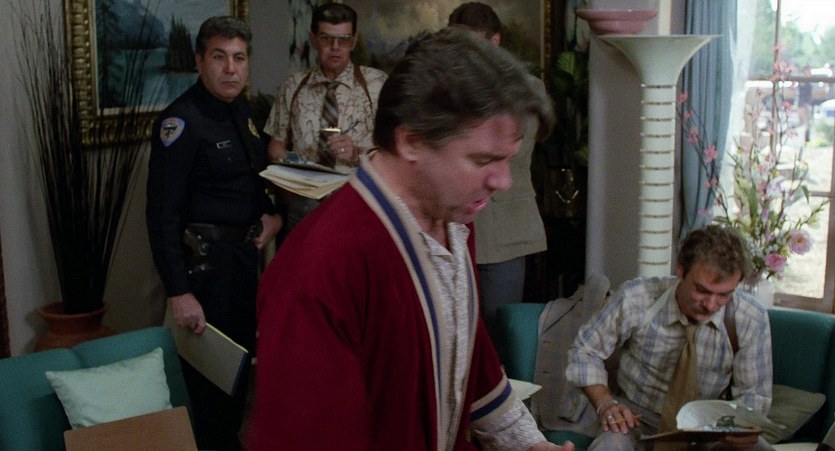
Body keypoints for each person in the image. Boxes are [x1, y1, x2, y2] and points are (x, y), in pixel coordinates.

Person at [248, 28, 571, 450]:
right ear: (411, 141)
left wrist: (531, 444)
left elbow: (467, 351)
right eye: (483, 160)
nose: (503, 181)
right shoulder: (322, 265)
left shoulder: (453, 215)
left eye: (508, 160)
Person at [146, 16, 282, 450]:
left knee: (236, 375)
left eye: (239, 58)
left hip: (241, 263)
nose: (230, 69)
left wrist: (272, 215)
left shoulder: (241, 110)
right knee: (207, 384)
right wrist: (179, 291)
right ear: (200, 61)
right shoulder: (181, 122)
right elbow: (162, 216)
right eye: (219, 57)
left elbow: (251, 179)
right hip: (203, 269)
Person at [566, 225, 774, 450]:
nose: (711, 305)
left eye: (724, 294)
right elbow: (584, 351)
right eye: (702, 290)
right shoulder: (637, 297)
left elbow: (754, 394)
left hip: (710, 427)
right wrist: (606, 404)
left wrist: (745, 426)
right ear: (680, 270)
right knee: (610, 446)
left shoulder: (750, 318)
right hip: (635, 420)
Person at [448, 1, 548, 342]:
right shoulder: (445, 88)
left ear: (495, 41)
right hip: (450, 225)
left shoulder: (526, 88)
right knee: (453, 331)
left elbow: (510, 147)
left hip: (505, 229)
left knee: (498, 332)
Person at [263, 2, 388, 228]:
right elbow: (276, 145)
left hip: (359, 203)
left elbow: (395, 154)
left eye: (344, 39)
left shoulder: (377, 85)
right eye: (326, 39)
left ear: (354, 41)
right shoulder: (293, 86)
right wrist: (291, 172)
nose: (335, 47)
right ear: (313, 39)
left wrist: (355, 153)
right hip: (304, 206)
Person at [798, 65, 813, 142]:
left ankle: (807, 137)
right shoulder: (802, 81)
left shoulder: (810, 81)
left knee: (808, 122)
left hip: (807, 103)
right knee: (802, 121)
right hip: (802, 103)